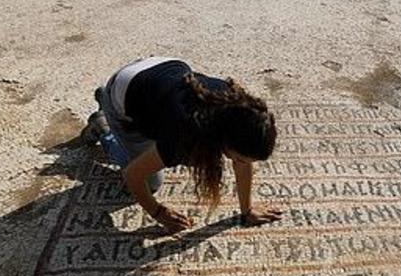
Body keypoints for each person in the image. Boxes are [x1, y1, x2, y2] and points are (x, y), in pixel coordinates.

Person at [83, 57, 282, 233]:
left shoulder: (240, 109)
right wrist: (158, 212)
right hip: (126, 96)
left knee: (173, 140)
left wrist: (247, 210)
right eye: (237, 158)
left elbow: (243, 162)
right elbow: (132, 175)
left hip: (157, 69)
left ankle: (106, 99)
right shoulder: (185, 135)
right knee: (152, 183)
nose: (239, 162)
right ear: (226, 138)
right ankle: (104, 127)